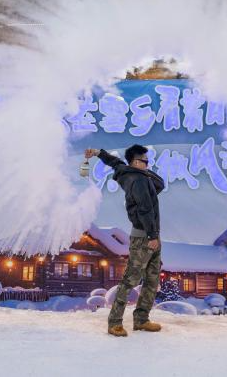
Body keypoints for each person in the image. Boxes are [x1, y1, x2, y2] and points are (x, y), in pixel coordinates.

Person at [85, 144, 165, 337]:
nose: (148, 164)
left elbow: (115, 162)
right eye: (145, 161)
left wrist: (97, 152)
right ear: (135, 162)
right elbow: (145, 209)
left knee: (152, 279)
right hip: (145, 236)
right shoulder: (138, 180)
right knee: (130, 280)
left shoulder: (127, 171)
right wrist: (152, 236)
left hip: (150, 235)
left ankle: (141, 320)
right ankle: (114, 323)